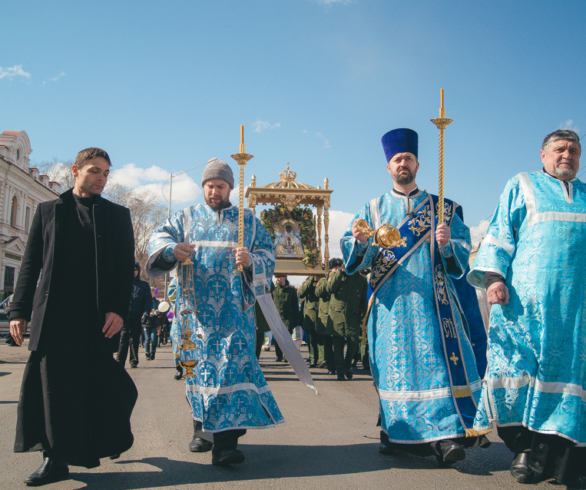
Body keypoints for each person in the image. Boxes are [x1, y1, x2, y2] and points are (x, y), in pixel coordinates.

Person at [341, 128, 488, 465]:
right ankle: (397, 434)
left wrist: (447, 244)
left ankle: (447, 435)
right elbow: (353, 260)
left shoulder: (444, 210)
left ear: (418, 163)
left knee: (437, 366)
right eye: (397, 159)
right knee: (395, 371)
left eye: (407, 158)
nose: (402, 163)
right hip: (390, 308)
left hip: (435, 305)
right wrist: (360, 242)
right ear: (388, 167)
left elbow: (463, 257)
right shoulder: (373, 208)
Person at [8, 147, 137, 486]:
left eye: (106, 173)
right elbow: (30, 264)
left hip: (97, 320)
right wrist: (18, 310)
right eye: (95, 171)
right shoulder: (49, 211)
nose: (101, 178)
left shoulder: (117, 216)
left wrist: (119, 309)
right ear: (75, 170)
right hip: (54, 319)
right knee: (53, 393)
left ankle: (108, 438)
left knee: (107, 388)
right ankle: (54, 459)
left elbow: (125, 269)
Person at [146, 158, 284, 466]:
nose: (214, 191)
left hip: (235, 317)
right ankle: (202, 431)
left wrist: (251, 260)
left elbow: (268, 254)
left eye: (220, 186)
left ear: (230, 188)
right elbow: (159, 238)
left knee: (231, 375)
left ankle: (226, 446)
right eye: (209, 185)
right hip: (194, 318)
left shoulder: (247, 221)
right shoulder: (186, 217)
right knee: (198, 373)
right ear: (202, 186)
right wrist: (171, 250)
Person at [467, 129, 586, 486]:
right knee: (517, 372)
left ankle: (562, 463)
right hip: (522, 307)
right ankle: (523, 449)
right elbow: (500, 233)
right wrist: (493, 279)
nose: (567, 155)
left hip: (575, 313)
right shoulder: (522, 185)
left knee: (567, 382)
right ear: (543, 154)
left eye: (574, 151)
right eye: (560, 149)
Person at [325, 260, 368, 380]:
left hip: (353, 316)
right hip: (337, 315)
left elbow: (364, 299)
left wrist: (364, 315)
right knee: (338, 346)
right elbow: (330, 289)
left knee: (353, 343)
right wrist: (339, 273)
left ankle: (347, 365)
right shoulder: (337, 276)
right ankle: (340, 371)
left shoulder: (361, 280)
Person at [117, 263, 151, 368]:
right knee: (123, 338)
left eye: (135, 269)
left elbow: (147, 301)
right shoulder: (122, 283)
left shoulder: (144, 285)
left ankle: (134, 360)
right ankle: (120, 361)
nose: (133, 271)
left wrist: (146, 312)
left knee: (135, 339)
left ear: (138, 271)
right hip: (124, 316)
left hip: (137, 316)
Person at [315, 261, 338, 375]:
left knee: (338, 343)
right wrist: (327, 280)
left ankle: (339, 365)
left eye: (338, 268)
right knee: (328, 344)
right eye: (334, 268)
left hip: (337, 315)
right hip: (325, 316)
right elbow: (318, 293)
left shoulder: (341, 280)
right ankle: (330, 366)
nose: (336, 270)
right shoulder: (322, 281)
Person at [272, 275, 299, 362]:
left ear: (284, 277)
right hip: (277, 317)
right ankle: (279, 355)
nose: (278, 279)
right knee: (278, 337)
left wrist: (296, 319)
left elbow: (295, 305)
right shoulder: (273, 289)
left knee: (288, 337)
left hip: (288, 317)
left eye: (280, 277)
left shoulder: (291, 289)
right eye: (276, 277)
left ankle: (287, 355)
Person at [298, 276, 322, 367]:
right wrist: (310, 281)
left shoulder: (323, 280)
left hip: (321, 313)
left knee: (321, 338)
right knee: (311, 339)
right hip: (310, 314)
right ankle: (313, 359)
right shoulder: (307, 282)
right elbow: (300, 293)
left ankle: (321, 358)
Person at [143, 288, 160, 361]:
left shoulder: (157, 302)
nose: (151, 293)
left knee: (153, 338)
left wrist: (156, 313)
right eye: (150, 291)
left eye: (152, 291)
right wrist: (147, 313)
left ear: (154, 293)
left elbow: (161, 310)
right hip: (146, 322)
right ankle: (147, 353)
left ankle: (153, 351)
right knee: (147, 338)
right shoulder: (145, 300)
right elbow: (142, 309)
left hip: (154, 322)